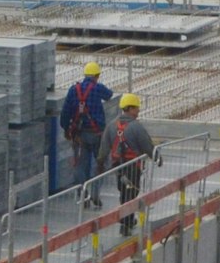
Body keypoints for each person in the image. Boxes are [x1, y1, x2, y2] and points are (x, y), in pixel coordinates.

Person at [99, 93, 158, 235]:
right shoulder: (136, 127)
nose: (138, 111)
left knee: (124, 192)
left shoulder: (112, 126)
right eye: (137, 108)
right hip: (133, 165)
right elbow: (147, 145)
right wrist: (156, 158)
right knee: (132, 192)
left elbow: (104, 146)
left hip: (118, 165)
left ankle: (127, 220)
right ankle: (126, 221)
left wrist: (100, 162)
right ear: (130, 108)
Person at [60, 62, 114, 203]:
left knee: (80, 165)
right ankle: (95, 193)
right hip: (98, 134)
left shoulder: (73, 90)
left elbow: (65, 113)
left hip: (80, 135)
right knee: (100, 163)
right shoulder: (97, 88)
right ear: (97, 76)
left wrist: (66, 129)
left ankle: (82, 195)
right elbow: (109, 95)